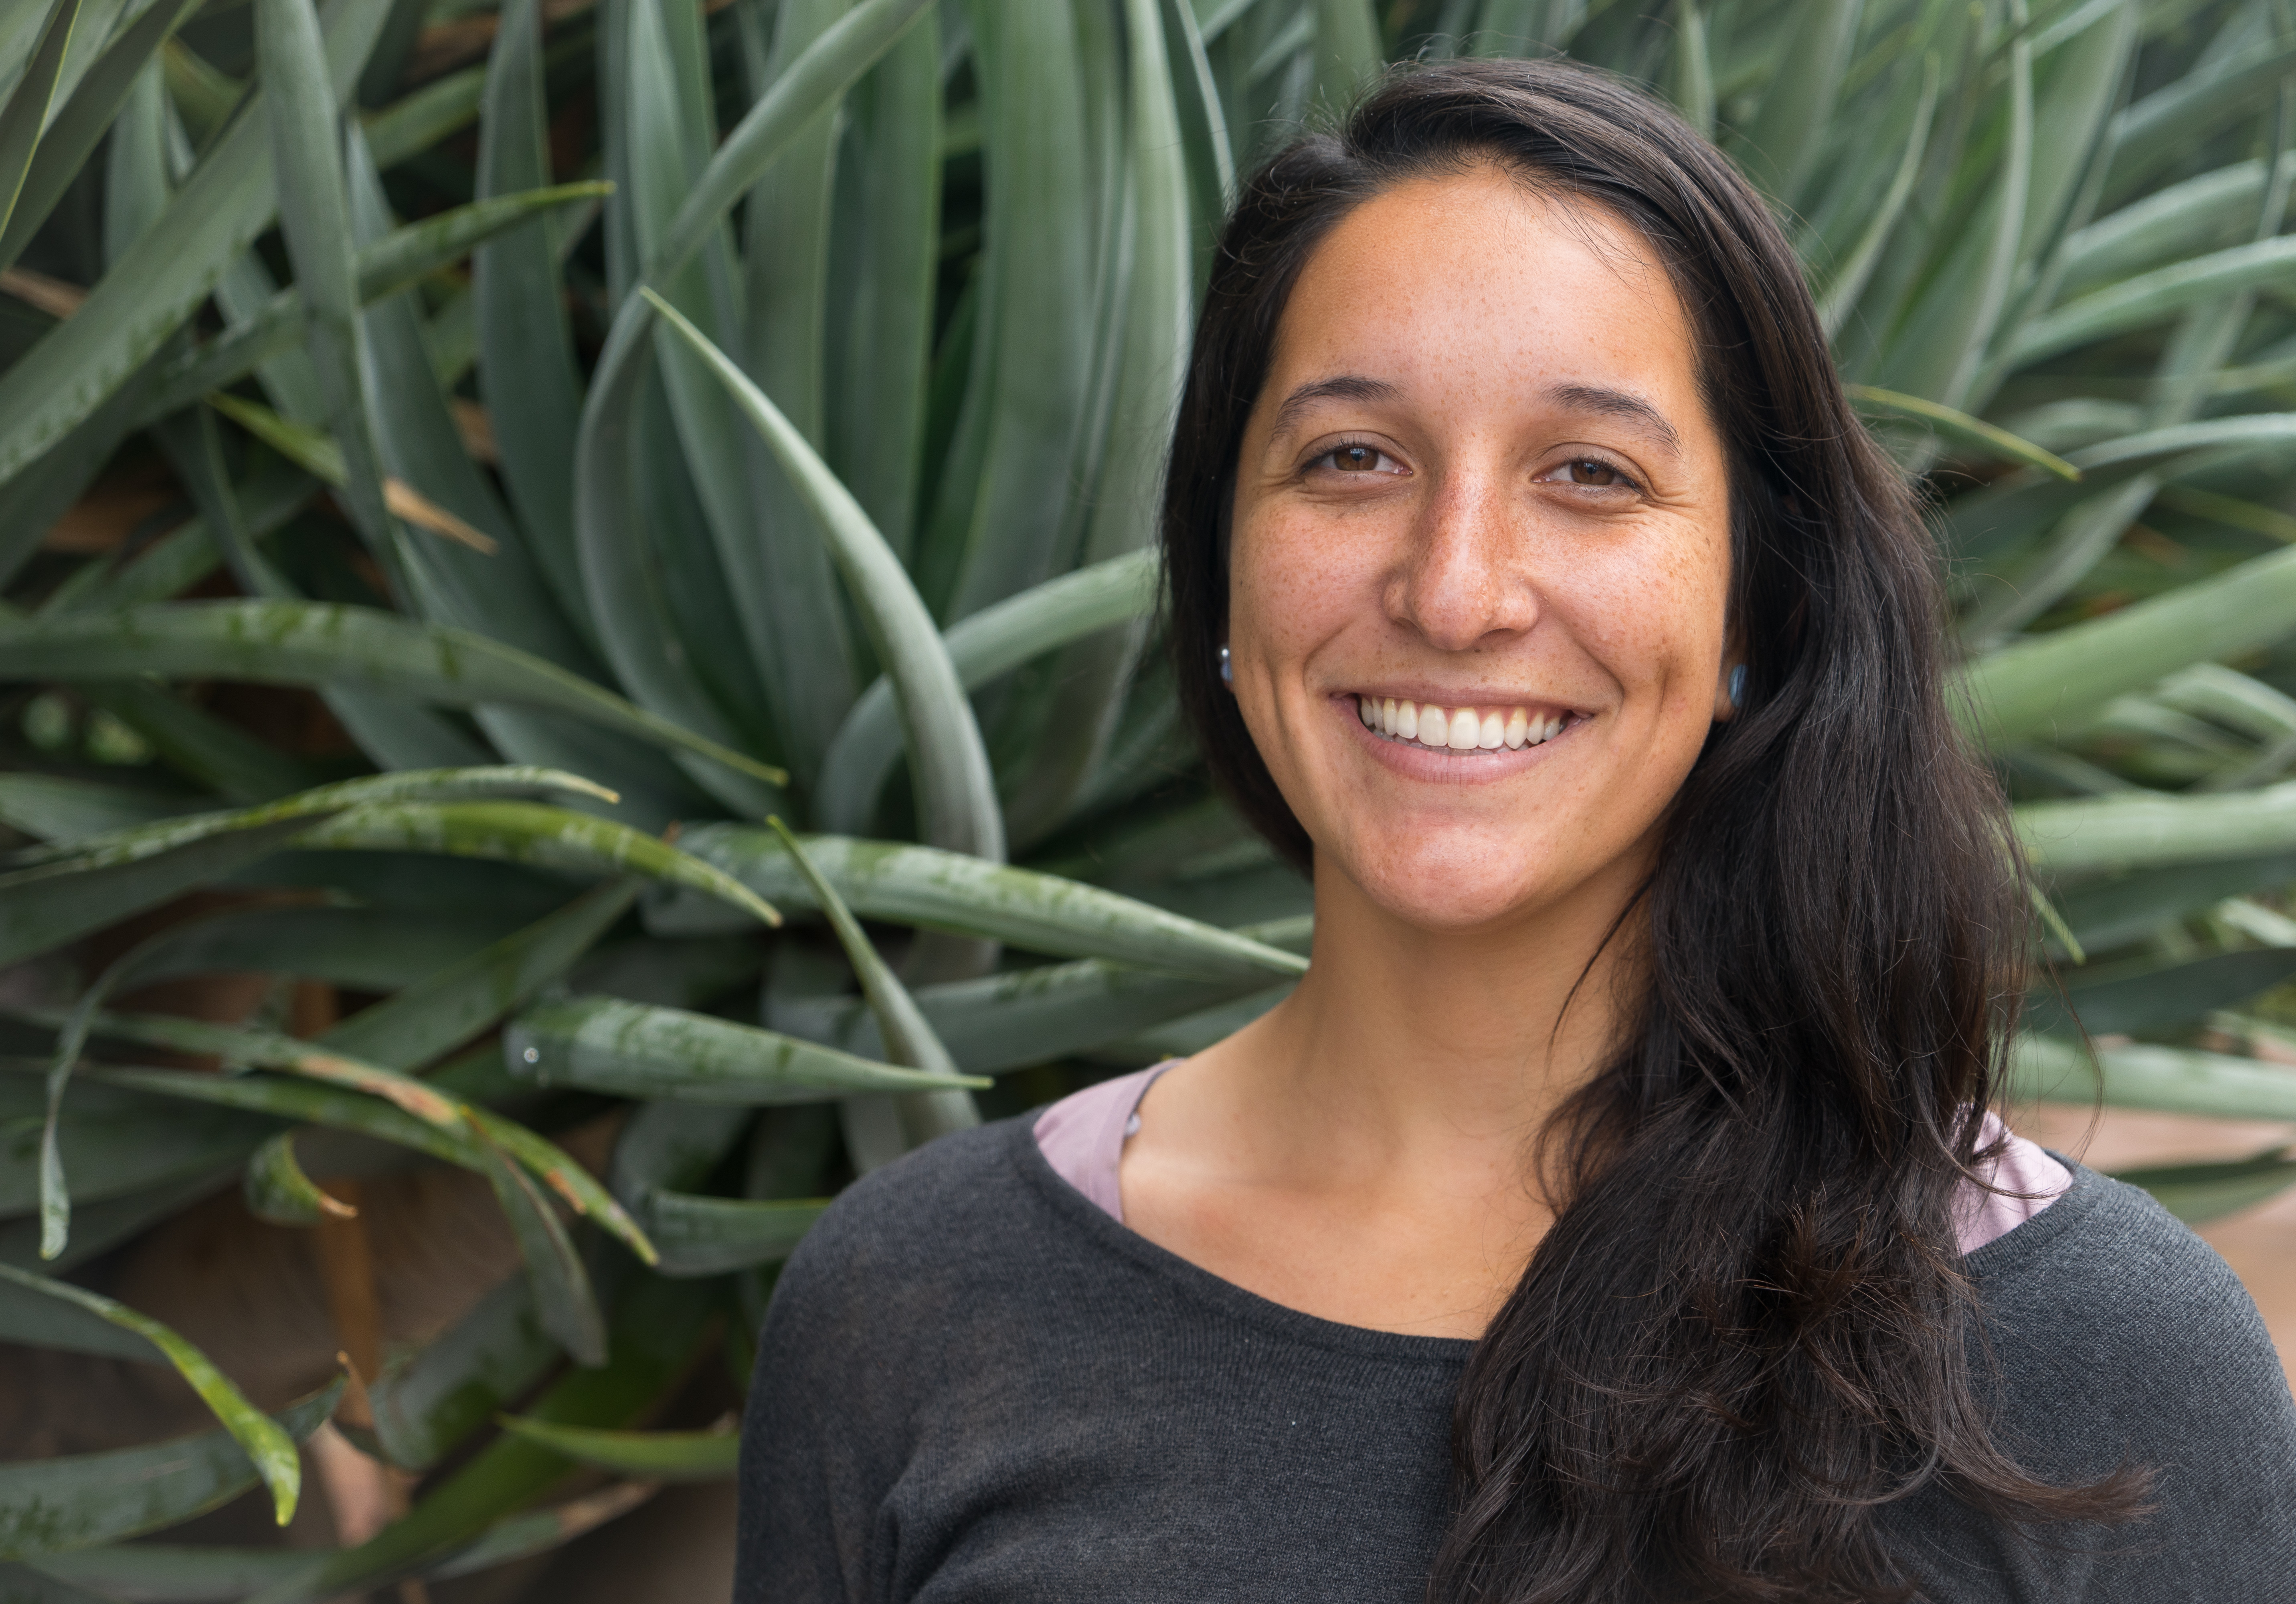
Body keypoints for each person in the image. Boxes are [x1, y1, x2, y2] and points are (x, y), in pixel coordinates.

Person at [734, 57, 2296, 1602]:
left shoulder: (2100, 1349)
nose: (1455, 589)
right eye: (1351, 458)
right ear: (1219, 568)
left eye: (1588, 474)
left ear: (1760, 602)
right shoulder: (916, 1305)